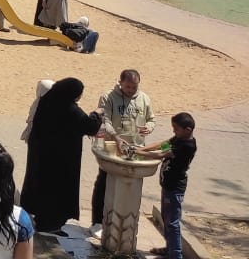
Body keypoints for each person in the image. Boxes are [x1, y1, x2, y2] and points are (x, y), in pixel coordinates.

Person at [20, 78, 103, 234]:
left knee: (41, 188)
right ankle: (51, 226)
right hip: (61, 161)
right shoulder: (70, 109)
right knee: (57, 194)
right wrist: (96, 114)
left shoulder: (46, 101)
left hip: (42, 157)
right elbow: (90, 127)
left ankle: (42, 221)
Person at [91, 69, 155, 232]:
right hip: (112, 147)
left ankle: (126, 224)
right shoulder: (108, 97)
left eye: (134, 87)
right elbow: (105, 120)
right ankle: (98, 221)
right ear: (120, 83)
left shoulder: (144, 98)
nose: (131, 90)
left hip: (135, 148)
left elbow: (151, 119)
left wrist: (149, 127)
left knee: (130, 186)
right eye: (128, 87)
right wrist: (116, 137)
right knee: (105, 182)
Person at [135, 112, 197, 259]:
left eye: (176, 128)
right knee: (166, 218)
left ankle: (175, 254)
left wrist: (139, 152)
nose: (173, 131)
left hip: (175, 188)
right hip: (168, 186)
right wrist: (142, 149)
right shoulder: (179, 139)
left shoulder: (187, 145)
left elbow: (162, 154)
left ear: (187, 130)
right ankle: (170, 248)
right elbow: (163, 144)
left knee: (172, 223)